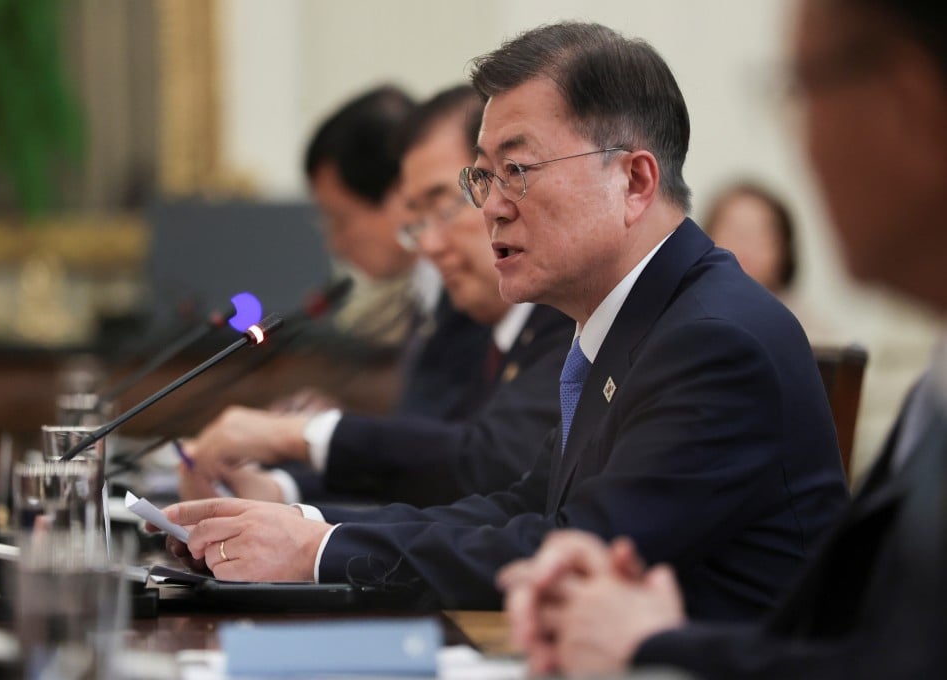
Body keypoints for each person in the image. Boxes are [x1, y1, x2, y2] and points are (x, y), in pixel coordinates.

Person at [156, 21, 847, 616]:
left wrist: (316, 550)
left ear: (635, 181)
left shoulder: (712, 339)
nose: (490, 206)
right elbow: (518, 507)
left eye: (516, 170)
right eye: (482, 177)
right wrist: (301, 524)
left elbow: (576, 551)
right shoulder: (635, 320)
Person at [500, 1, 947, 676]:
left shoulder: (715, 335)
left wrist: (649, 643)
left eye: (802, 89)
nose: (803, 144)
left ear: (908, 103)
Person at [180, 85, 573, 507]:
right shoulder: (499, 319)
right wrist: (284, 492)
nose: (427, 245)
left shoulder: (563, 316)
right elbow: (452, 493)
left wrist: (302, 436)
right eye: (418, 218)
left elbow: (485, 466)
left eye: (446, 205)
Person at [303, 85, 423, 346]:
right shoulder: (382, 312)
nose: (335, 244)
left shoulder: (470, 304)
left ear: (403, 197)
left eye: (340, 220)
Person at [703, 181, 843, 343]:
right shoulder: (686, 316)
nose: (744, 245)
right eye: (734, 232)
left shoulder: (811, 331)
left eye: (758, 234)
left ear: (784, 249)